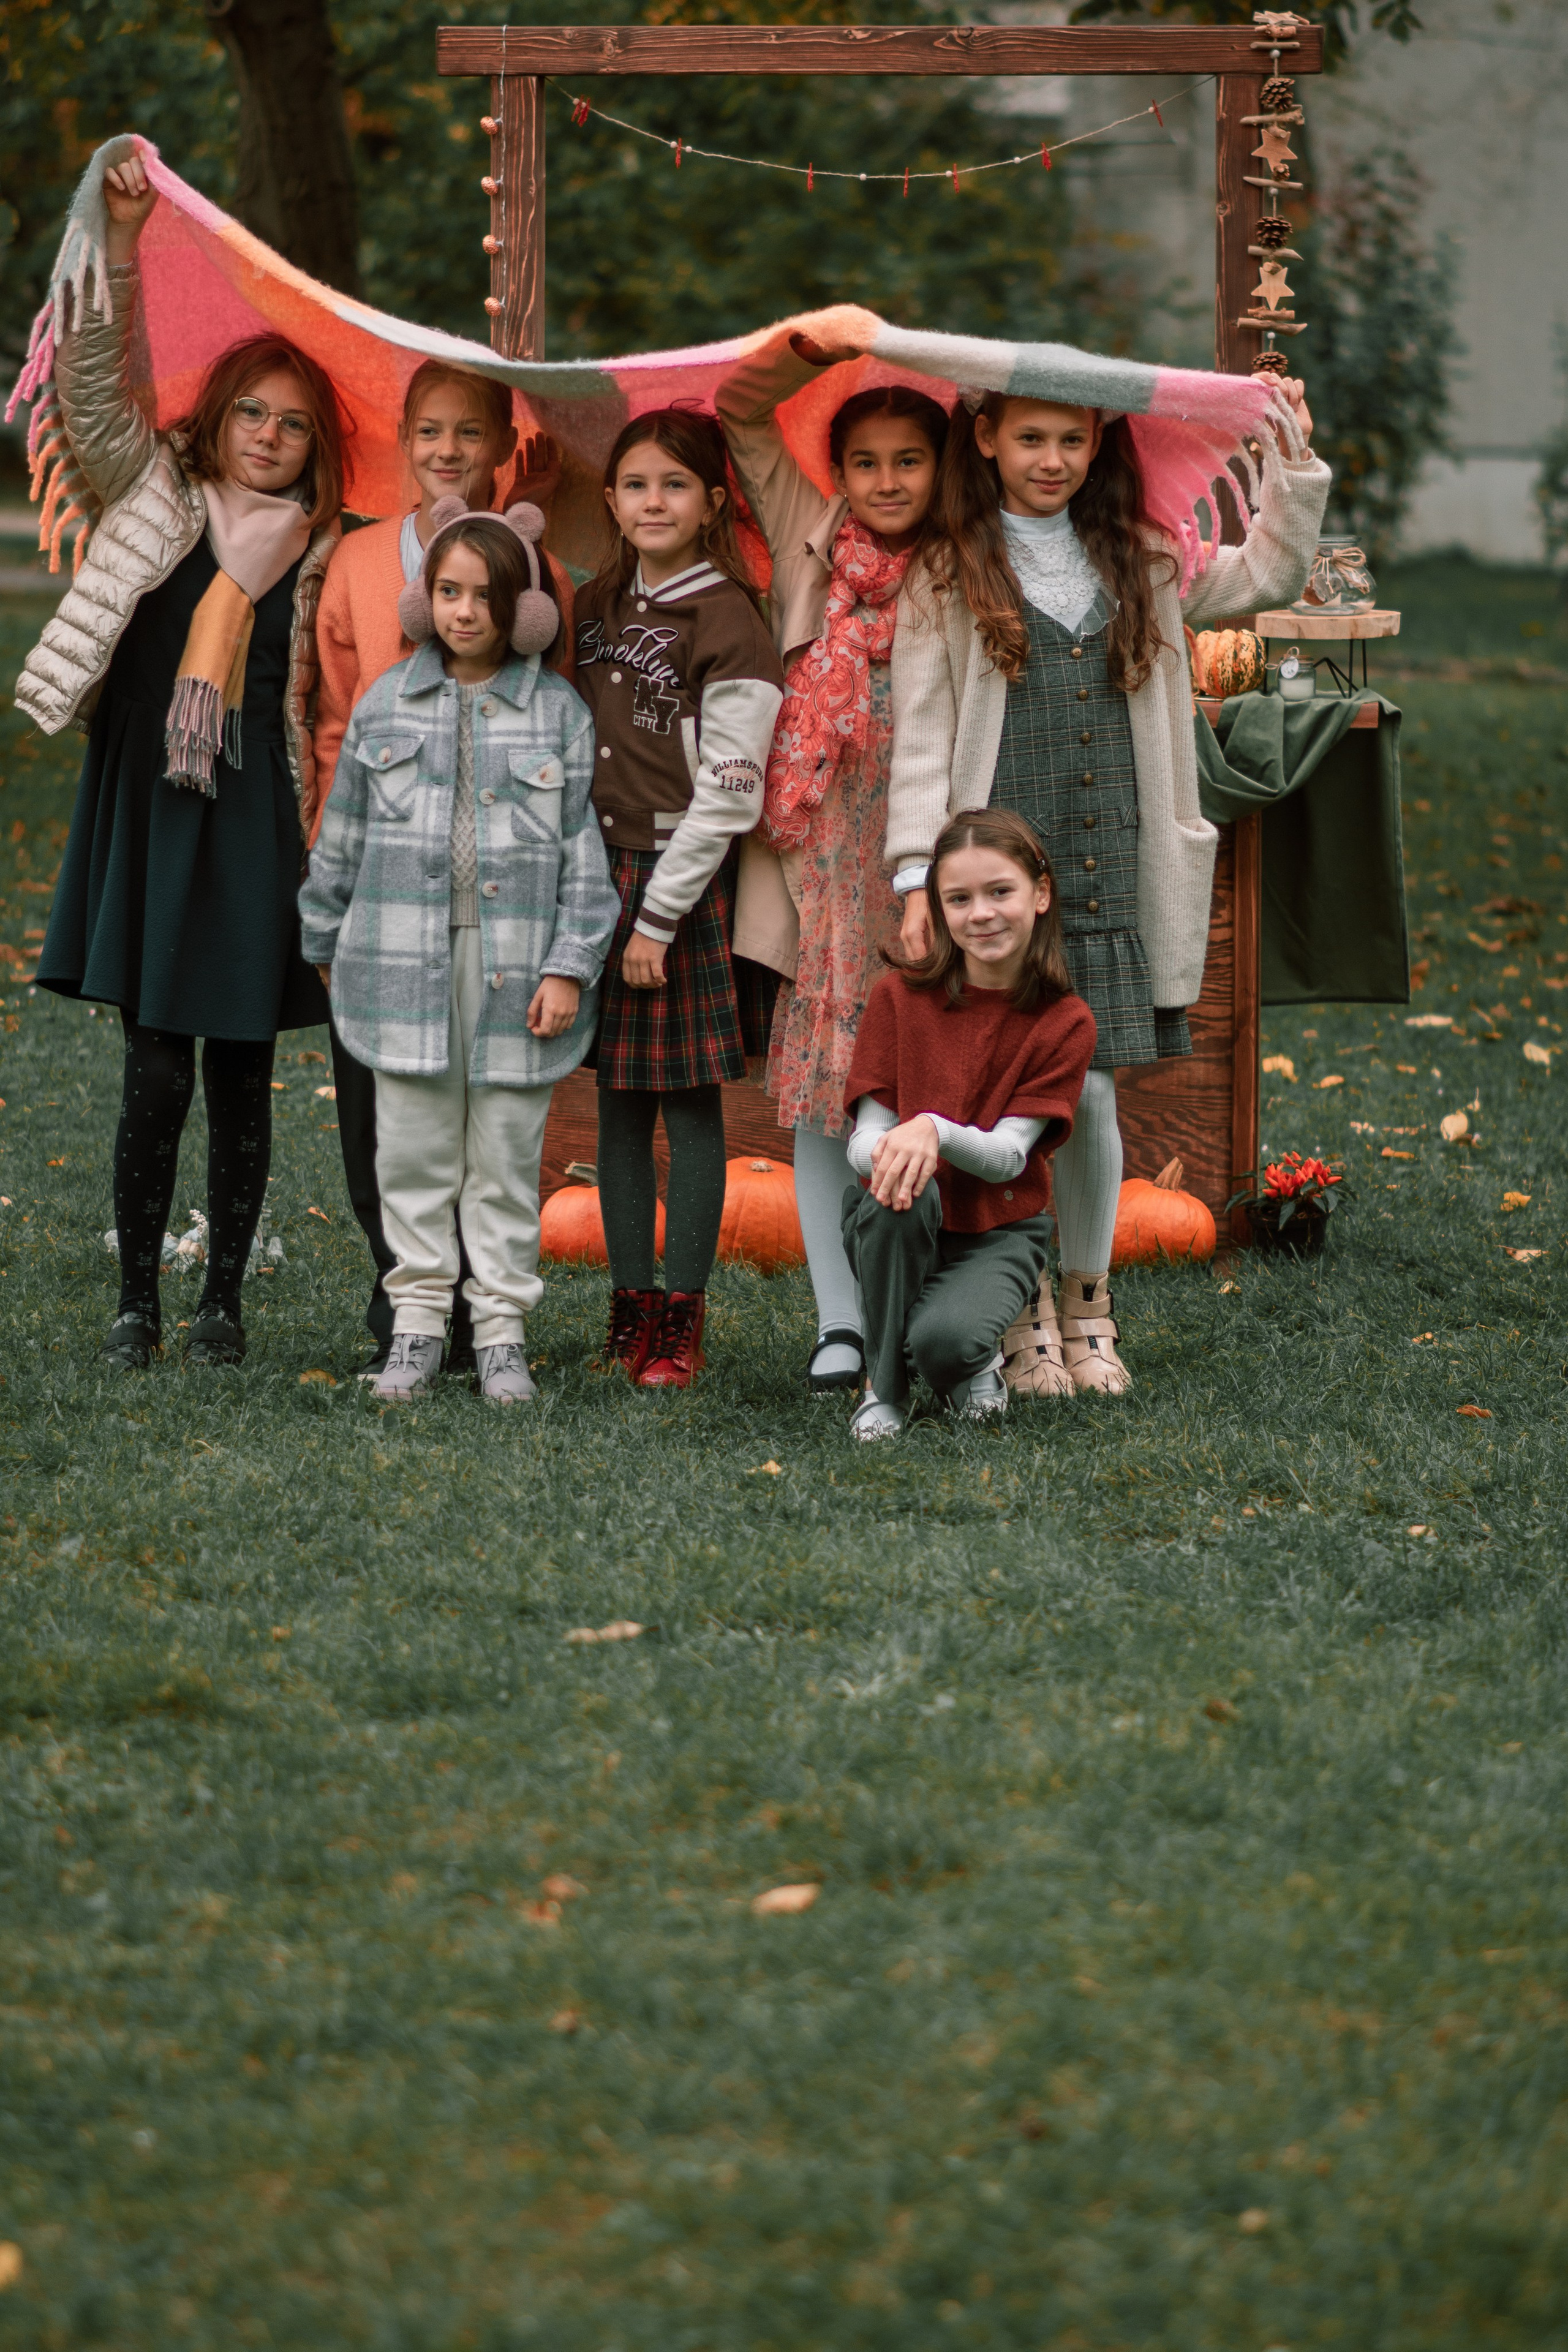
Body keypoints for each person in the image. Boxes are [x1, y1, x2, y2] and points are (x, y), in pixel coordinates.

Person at [887, 382, 1329, 1396]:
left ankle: (1088, 1305)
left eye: (1071, 440)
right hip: (997, 886)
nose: (1051, 458)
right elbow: (920, 736)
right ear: (987, 439)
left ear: (1100, 445)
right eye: (1030, 437)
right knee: (1009, 1094)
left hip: (1108, 865)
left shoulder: (1147, 557)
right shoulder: (947, 574)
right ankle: (1021, 1308)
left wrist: (1287, 458)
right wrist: (917, 876)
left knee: (1089, 1095)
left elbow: (1272, 571)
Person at [19, 141, 349, 1371]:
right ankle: (135, 1305)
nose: (268, 437)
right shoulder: (150, 490)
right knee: (154, 1065)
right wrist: (110, 235)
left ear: (317, 445)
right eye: (252, 414)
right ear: (216, 417)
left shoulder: (319, 548)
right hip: (152, 809)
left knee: (243, 1071)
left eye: (293, 425)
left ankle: (222, 1303)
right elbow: (94, 382)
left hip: (260, 818)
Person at [298, 502, 617, 1404]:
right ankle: (416, 1329)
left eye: (485, 596)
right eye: (448, 591)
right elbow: (343, 836)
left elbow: (584, 855)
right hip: (399, 960)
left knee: (508, 1154)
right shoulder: (385, 702)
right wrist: (323, 938)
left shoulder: (557, 712)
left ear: (522, 611)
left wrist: (569, 964)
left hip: (517, 969)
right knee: (412, 1151)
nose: (465, 612)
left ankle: (503, 1332)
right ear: (423, 598)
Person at [717, 333, 949, 1397]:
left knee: (935, 1083)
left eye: (912, 459)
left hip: (929, 872)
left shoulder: (963, 563)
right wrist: (818, 347)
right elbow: (740, 413)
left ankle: (932, 1303)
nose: (890, 481)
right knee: (824, 1093)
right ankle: (840, 1321)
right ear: (841, 473)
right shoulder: (815, 540)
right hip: (820, 878)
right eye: (868, 462)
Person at [574, 409, 786, 1390]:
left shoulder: (731, 620)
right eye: (634, 485)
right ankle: (628, 1312)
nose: (651, 501)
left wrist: (658, 916)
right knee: (615, 1101)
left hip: (677, 880)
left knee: (690, 1104)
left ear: (711, 504)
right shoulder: (595, 605)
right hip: (590, 871)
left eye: (673, 485)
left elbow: (733, 792)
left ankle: (683, 1317)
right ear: (611, 501)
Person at [841, 810, 1095, 1441]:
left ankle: (965, 1357)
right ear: (940, 909)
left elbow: (1010, 1156)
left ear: (1039, 895)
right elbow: (862, 1145)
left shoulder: (1064, 1021)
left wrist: (933, 1127)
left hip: (999, 1229)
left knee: (944, 1344)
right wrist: (900, 1146)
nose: (980, 913)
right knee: (895, 1189)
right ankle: (881, 1391)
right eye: (958, 899)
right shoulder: (897, 1000)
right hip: (901, 1214)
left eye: (999, 892)